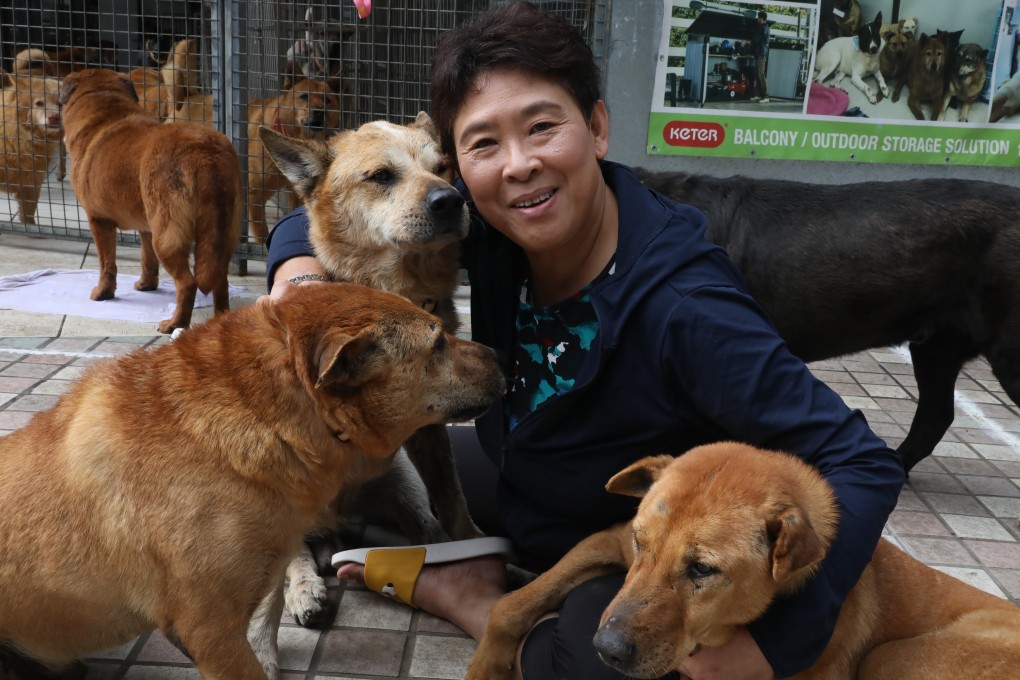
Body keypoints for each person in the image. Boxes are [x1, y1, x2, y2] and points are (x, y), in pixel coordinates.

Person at [265, 3, 904, 679]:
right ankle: (482, 555)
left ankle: (468, 595)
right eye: (483, 144)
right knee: (388, 462)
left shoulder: (684, 306)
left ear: (597, 127)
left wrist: (780, 643)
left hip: (631, 537)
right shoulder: (497, 227)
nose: (518, 165)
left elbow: (863, 463)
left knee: (587, 658)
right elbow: (334, 207)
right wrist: (296, 271)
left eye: (542, 127)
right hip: (529, 468)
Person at [750, 10, 770, 103]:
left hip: (761, 54)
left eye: (758, 17)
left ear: (761, 19)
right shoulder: (765, 27)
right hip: (760, 53)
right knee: (758, 75)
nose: (757, 19)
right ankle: (758, 95)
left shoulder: (762, 28)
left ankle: (765, 97)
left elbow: (755, 39)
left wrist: (746, 42)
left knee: (761, 75)